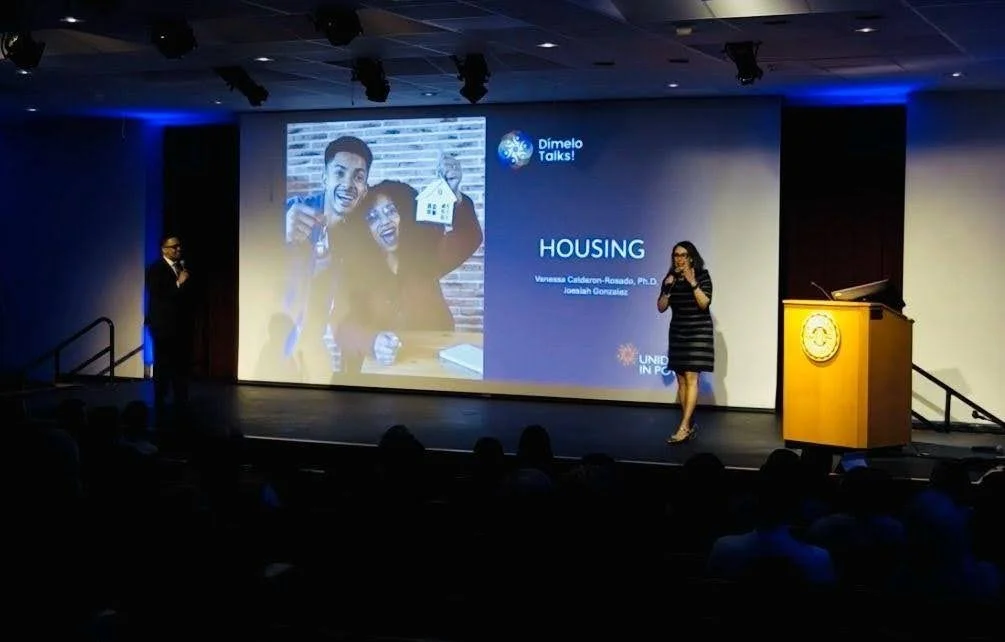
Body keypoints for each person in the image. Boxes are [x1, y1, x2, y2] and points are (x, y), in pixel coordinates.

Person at [336, 179, 483, 373]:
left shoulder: (425, 255)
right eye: (372, 217)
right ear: (365, 231)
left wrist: (456, 198)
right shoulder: (356, 270)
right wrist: (372, 342)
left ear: (404, 215)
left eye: (390, 211)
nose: (385, 221)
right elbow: (343, 328)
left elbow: (469, 236)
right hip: (385, 373)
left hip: (434, 364)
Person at [283, 135, 374, 382]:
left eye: (358, 177)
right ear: (325, 176)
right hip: (272, 349)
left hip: (314, 353)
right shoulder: (292, 212)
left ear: (364, 188)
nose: (348, 184)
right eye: (340, 173)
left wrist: (375, 340)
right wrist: (281, 232)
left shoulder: (359, 234)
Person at [657, 240, 713, 444]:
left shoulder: (703, 276)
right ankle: (688, 425)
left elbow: (704, 302)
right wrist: (667, 289)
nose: (678, 259)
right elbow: (661, 307)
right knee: (681, 379)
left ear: (691, 257)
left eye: (682, 255)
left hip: (698, 332)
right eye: (675, 255)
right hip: (678, 332)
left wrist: (693, 283)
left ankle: (683, 427)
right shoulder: (669, 279)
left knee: (691, 377)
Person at [145, 235, 194, 415]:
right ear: (164, 249)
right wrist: (178, 283)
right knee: (164, 363)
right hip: (163, 325)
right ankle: (160, 398)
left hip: (180, 326)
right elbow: (159, 294)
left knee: (181, 363)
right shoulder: (155, 269)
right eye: (173, 247)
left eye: (179, 246)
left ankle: (181, 397)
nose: (178, 249)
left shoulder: (180, 267)